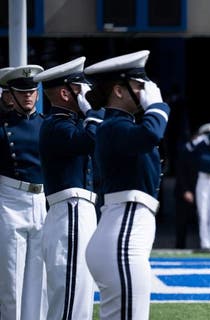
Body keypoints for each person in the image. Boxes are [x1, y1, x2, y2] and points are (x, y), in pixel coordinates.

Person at [84, 50, 170, 319]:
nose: (145, 92)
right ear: (119, 91)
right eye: (139, 86)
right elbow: (152, 133)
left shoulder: (120, 126)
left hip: (122, 231)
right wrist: (159, 105)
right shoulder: (113, 127)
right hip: (124, 235)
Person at [34, 56, 104, 320]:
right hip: (70, 211)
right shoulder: (56, 125)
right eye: (81, 89)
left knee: (80, 294)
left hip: (76, 210)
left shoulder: (68, 123)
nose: (87, 95)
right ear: (65, 93)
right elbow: (92, 140)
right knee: (70, 297)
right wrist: (93, 112)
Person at [0, 64, 48, 320]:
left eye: (32, 91)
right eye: (21, 91)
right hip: (9, 199)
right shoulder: (2, 126)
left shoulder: (47, 125)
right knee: (12, 279)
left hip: (40, 199)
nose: (28, 96)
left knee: (38, 280)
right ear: (9, 95)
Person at [187, 122, 210, 251]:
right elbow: (189, 148)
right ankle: (205, 243)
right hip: (203, 179)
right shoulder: (200, 145)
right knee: (203, 211)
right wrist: (202, 138)